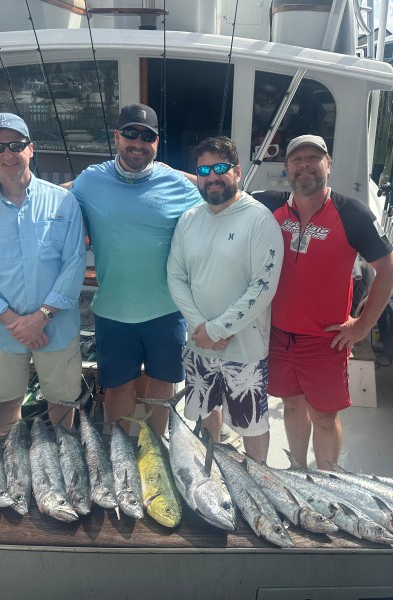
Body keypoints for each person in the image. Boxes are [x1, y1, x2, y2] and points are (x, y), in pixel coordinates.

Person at [253, 135, 393, 469]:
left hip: (325, 339)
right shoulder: (269, 205)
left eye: (312, 158)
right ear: (287, 168)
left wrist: (363, 325)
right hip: (277, 335)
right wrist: (168, 170)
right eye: (296, 159)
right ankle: (299, 469)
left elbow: (388, 268)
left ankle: (328, 481)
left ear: (328, 165)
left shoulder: (353, 214)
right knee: (291, 404)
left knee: (323, 415)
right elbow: (222, 188)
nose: (304, 165)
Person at [69, 103, 203, 435]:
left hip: (167, 309)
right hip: (113, 310)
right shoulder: (90, 180)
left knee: (162, 385)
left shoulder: (179, 184)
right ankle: (121, 454)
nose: (138, 143)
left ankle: (155, 450)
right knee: (116, 387)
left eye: (147, 136)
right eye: (130, 133)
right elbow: (52, 197)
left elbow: (222, 201)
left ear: (156, 143)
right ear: (116, 137)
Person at [0, 113, 86, 430]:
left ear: (31, 149)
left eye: (16, 145)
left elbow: (74, 263)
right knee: (5, 405)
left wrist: (41, 316)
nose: (8, 154)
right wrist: (16, 323)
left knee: (62, 403)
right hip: (1, 331)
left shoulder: (64, 202)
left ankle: (62, 470)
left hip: (56, 325)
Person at [167, 136, 284, 462]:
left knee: (252, 424)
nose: (212, 176)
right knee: (205, 411)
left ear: (237, 171)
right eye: (204, 169)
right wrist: (200, 326)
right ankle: (211, 468)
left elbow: (263, 286)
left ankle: (259, 481)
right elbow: (175, 277)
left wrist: (217, 330)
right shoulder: (189, 219)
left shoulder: (259, 219)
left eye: (220, 167)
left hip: (245, 349)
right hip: (200, 342)